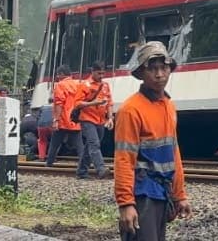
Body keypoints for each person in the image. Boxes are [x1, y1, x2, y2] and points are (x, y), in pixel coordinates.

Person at [115, 41, 191, 241]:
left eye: (163, 67)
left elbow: (174, 153)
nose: (159, 74)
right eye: (152, 69)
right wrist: (126, 203)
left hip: (162, 192)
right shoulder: (130, 110)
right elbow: (124, 159)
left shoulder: (168, 106)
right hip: (142, 194)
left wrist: (179, 194)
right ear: (141, 73)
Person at [76, 61, 113, 179]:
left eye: (103, 73)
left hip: (101, 120)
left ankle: (82, 172)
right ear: (93, 72)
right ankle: (101, 168)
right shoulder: (84, 85)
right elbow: (77, 103)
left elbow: (109, 103)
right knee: (94, 143)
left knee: (90, 146)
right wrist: (93, 103)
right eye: (99, 73)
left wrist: (110, 118)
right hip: (87, 119)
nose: (101, 76)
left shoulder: (105, 85)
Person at [46, 65, 82, 166]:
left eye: (58, 75)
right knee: (79, 145)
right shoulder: (78, 84)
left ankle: (49, 164)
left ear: (61, 74)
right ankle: (84, 165)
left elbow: (59, 104)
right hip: (75, 118)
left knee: (54, 144)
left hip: (63, 119)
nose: (57, 77)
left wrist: (56, 120)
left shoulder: (60, 85)